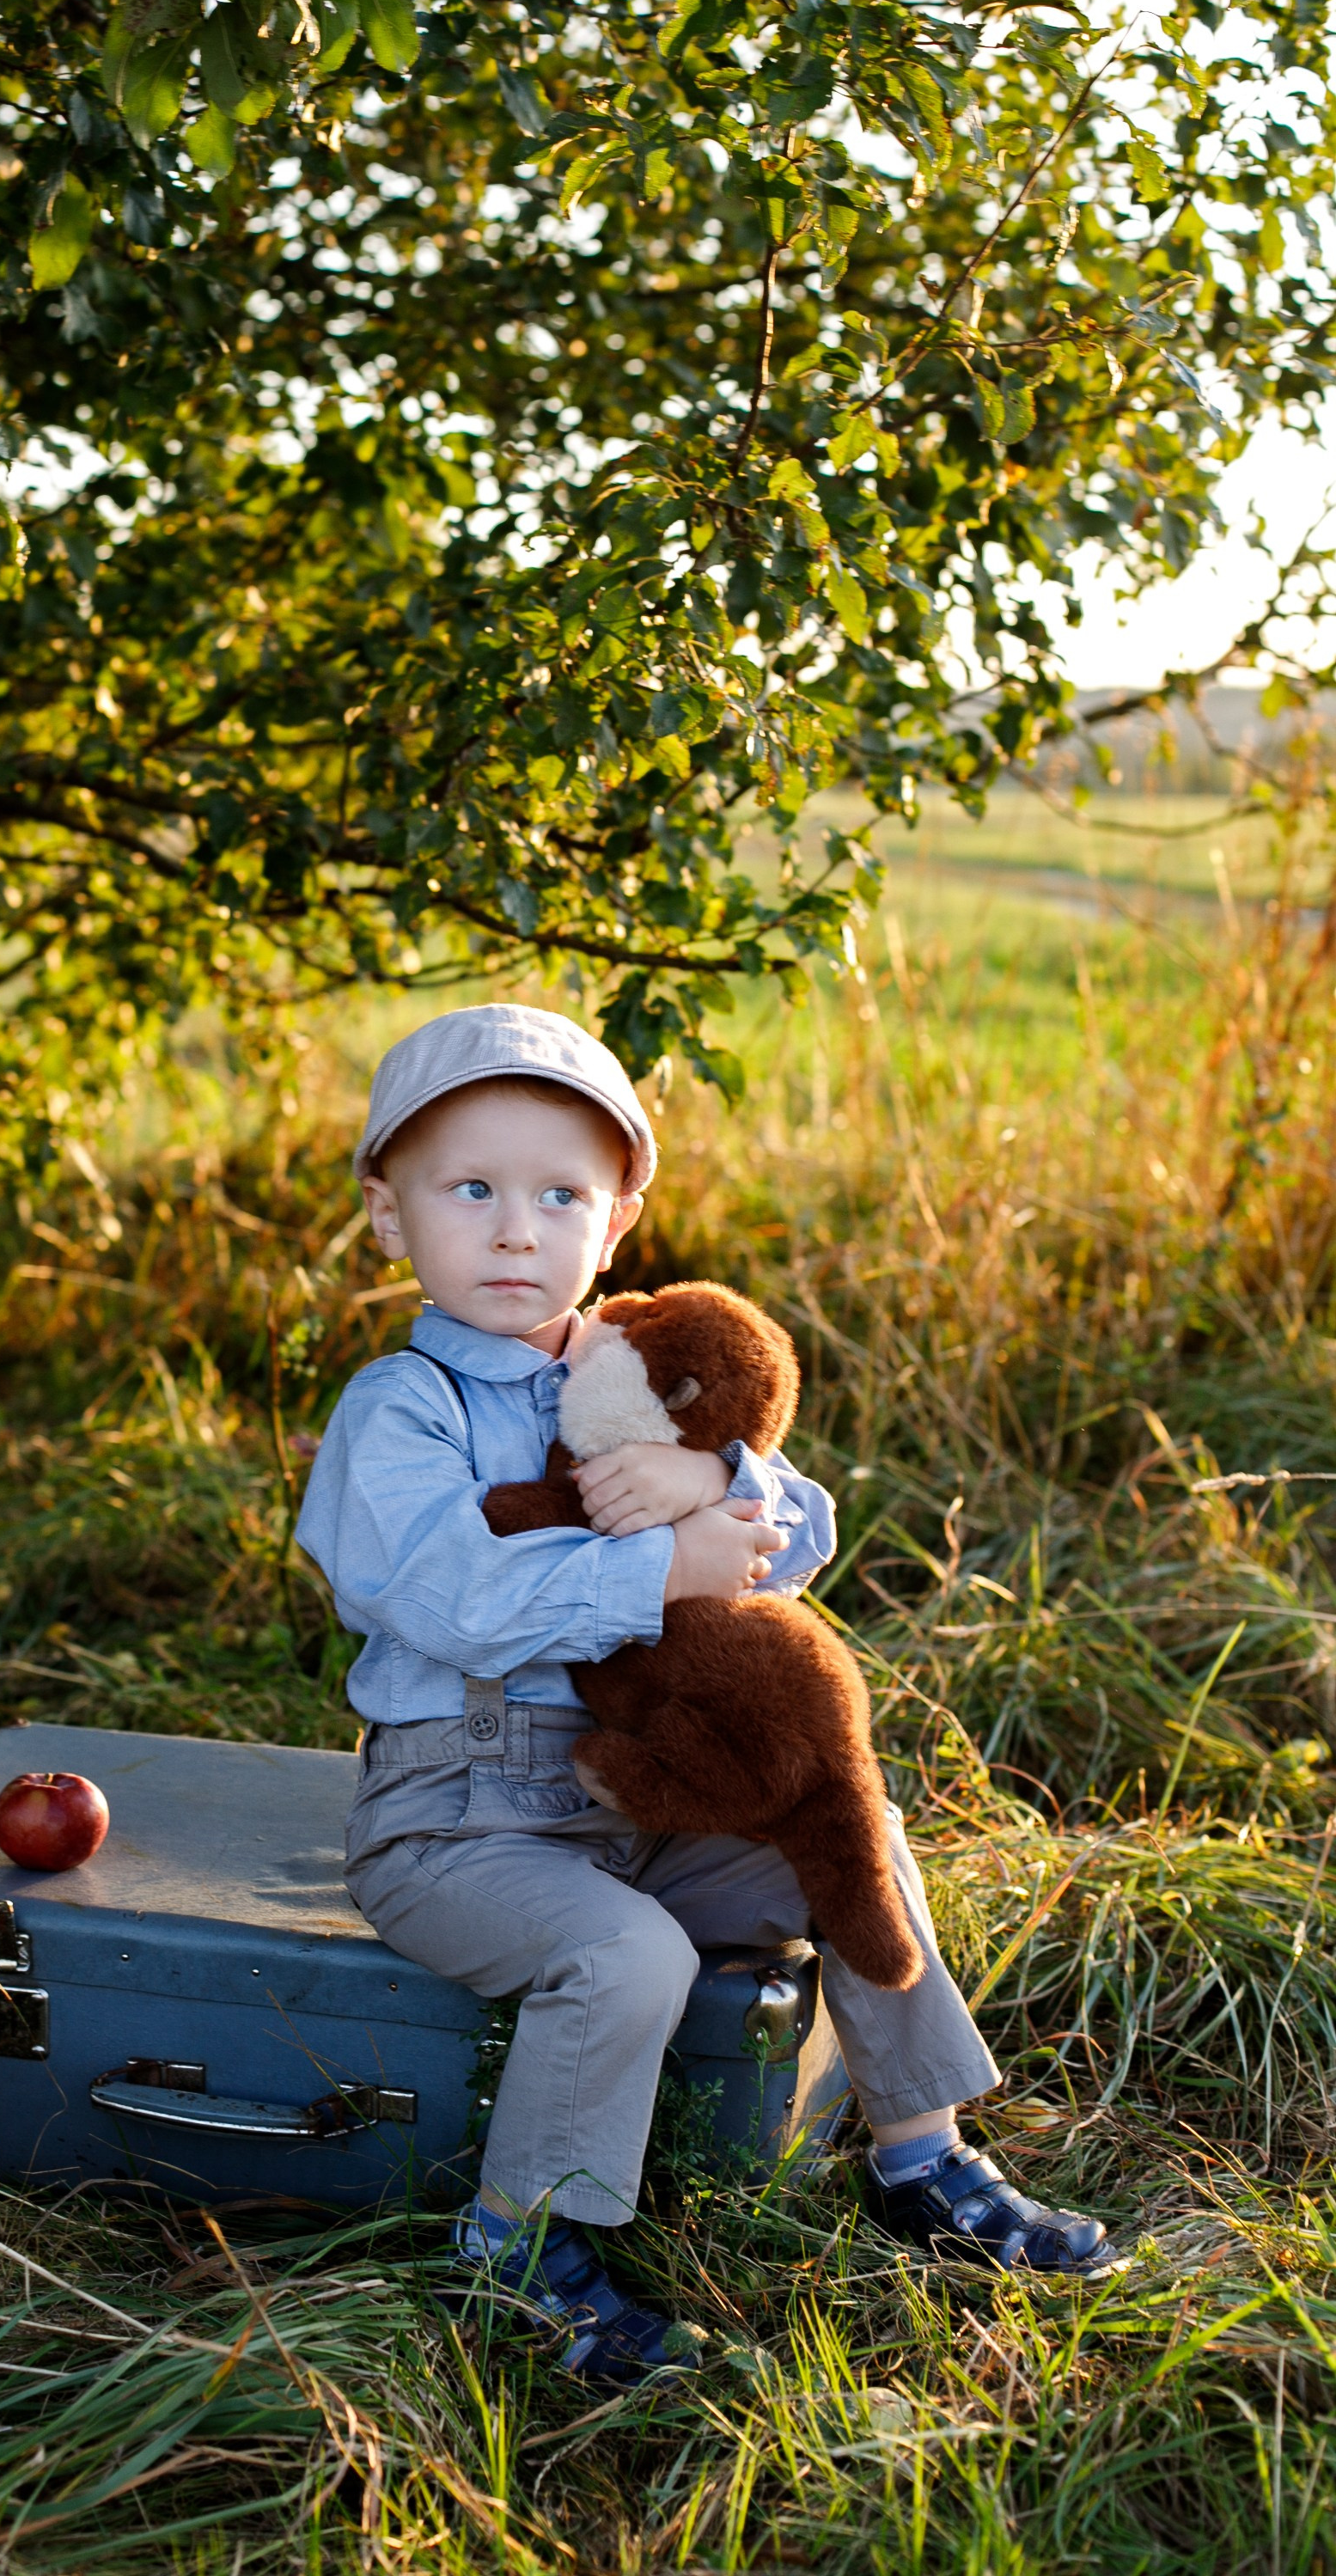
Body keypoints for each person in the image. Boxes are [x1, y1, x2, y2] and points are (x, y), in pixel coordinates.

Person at [297, 1003, 1119, 2384]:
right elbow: (440, 1592)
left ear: (615, 1224)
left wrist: (720, 1489)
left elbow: (805, 1530)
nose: (516, 1231)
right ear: (391, 1215)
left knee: (838, 1821)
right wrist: (652, 1567)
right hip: (459, 1821)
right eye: (472, 1190)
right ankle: (517, 2246)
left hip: (641, 1806)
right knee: (629, 1955)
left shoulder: (634, 1361)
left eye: (561, 1196)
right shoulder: (404, 1409)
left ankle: (920, 2152)